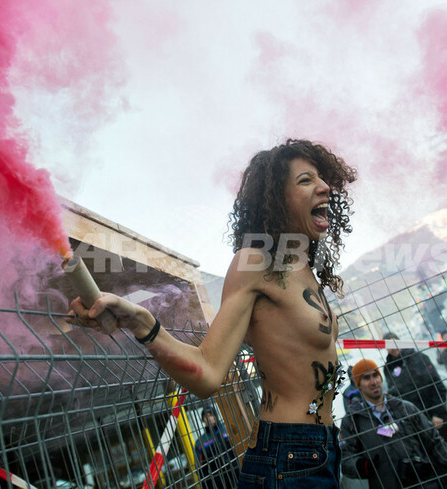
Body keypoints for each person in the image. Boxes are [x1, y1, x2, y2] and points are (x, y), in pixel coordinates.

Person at [71, 140, 357, 488]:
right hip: (288, 459)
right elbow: (207, 373)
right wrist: (141, 321)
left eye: (322, 179)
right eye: (305, 180)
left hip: (322, 450)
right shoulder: (256, 262)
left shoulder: (304, 266)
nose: (324, 187)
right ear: (279, 200)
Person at [340, 359, 447, 489]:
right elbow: (346, 459)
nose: (373, 382)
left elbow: (435, 443)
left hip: (424, 483)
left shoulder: (404, 408)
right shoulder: (353, 420)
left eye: (375, 375)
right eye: (366, 378)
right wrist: (363, 466)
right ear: (358, 385)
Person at [382, 332, 447, 452]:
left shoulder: (420, 358)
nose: (392, 347)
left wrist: (438, 413)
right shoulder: (388, 368)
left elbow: (437, 386)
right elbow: (395, 396)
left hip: (435, 417)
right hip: (413, 424)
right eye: (388, 345)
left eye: (394, 343)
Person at [194, 405, 239, 489]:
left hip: (236, 470)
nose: (209, 418)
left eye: (211, 415)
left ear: (216, 416)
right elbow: (200, 468)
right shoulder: (200, 442)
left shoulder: (227, 430)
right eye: (206, 416)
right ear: (203, 420)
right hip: (218, 479)